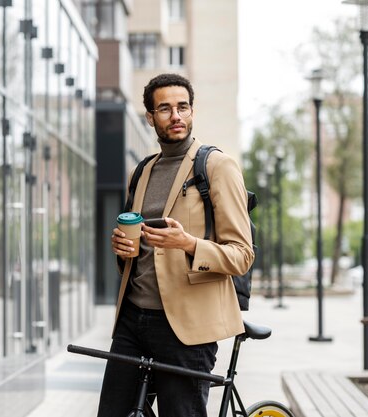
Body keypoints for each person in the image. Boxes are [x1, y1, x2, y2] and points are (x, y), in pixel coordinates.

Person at [100, 73, 255, 417]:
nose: (176, 116)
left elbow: (242, 255)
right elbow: (140, 252)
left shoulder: (217, 167)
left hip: (186, 327)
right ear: (150, 117)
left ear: (192, 112)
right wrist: (125, 251)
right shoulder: (141, 172)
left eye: (183, 107)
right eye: (165, 108)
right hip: (132, 318)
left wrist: (187, 243)